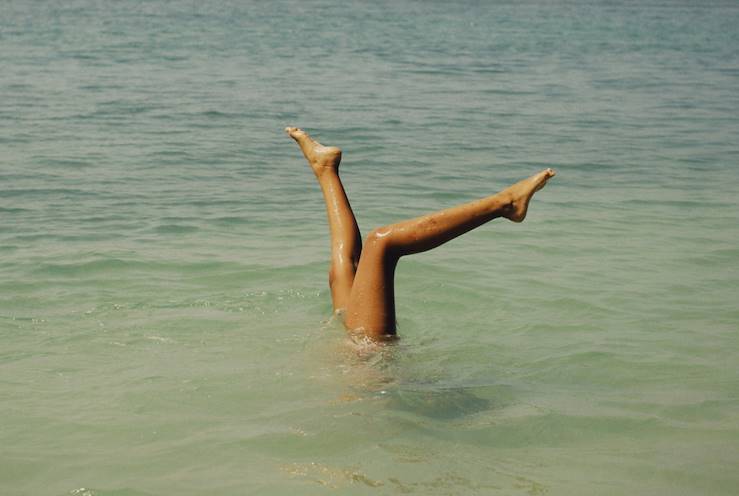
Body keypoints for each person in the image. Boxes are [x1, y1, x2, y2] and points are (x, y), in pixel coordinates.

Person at [286, 127, 555, 340]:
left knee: (346, 269)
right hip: (364, 358)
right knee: (381, 243)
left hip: (353, 354)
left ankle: (325, 169)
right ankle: (505, 204)